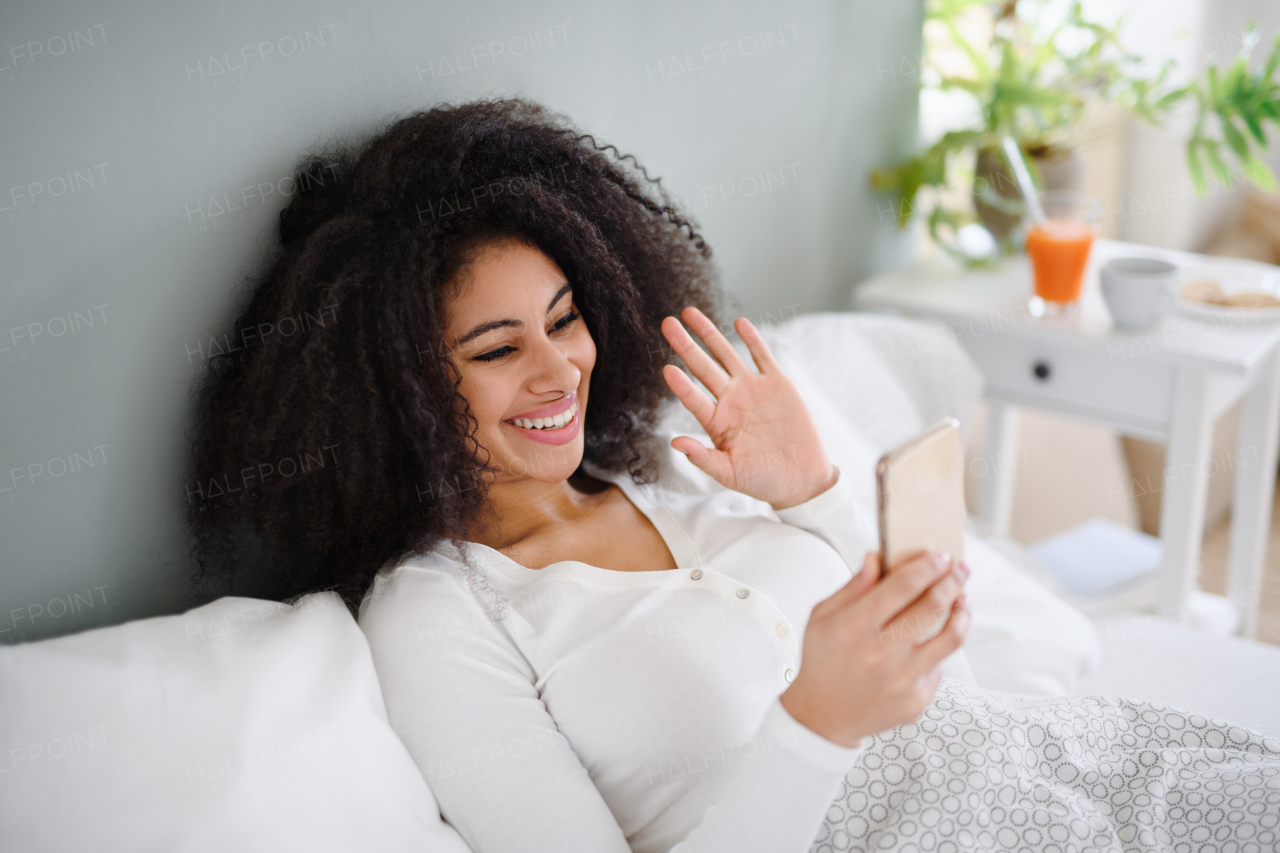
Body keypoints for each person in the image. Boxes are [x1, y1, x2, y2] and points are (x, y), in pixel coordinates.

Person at [188, 99, 1280, 853]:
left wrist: (813, 493)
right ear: (394, 393)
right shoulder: (437, 613)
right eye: (494, 347)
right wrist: (808, 726)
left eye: (567, 321)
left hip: (1054, 767)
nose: (557, 366)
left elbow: (927, 636)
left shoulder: (670, 472)